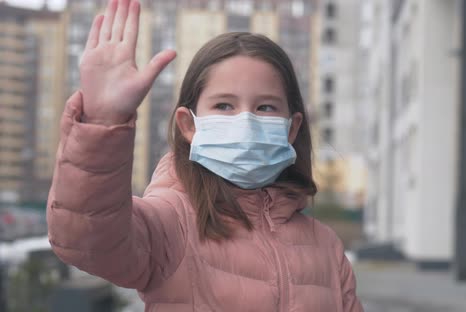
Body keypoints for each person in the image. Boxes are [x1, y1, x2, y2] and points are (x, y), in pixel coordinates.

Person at [46, 0, 364, 311]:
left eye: (265, 107)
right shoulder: (171, 224)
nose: (246, 121)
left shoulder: (326, 248)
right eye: (224, 105)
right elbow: (89, 241)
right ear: (189, 125)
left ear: (291, 128)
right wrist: (103, 120)